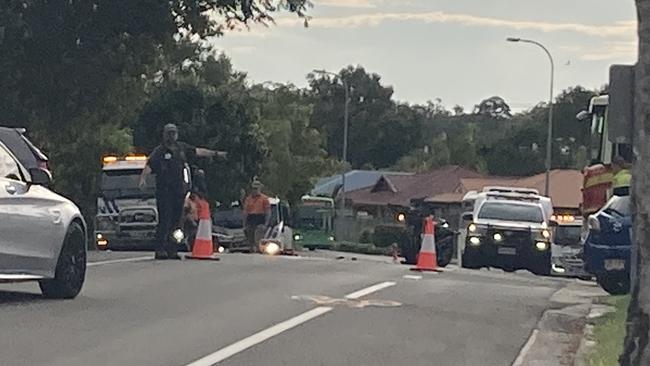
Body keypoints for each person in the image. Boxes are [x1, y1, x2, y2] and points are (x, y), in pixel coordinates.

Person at [140, 124, 226, 260]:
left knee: (176, 221)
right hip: (164, 192)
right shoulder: (160, 151)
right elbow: (150, 165)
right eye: (169, 133)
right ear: (164, 134)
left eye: (173, 133)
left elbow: (197, 151)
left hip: (178, 191)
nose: (171, 135)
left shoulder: (181, 148)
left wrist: (214, 153)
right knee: (165, 220)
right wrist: (143, 179)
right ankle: (160, 249)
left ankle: (172, 249)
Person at [242, 180, 271, 253]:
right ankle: (252, 251)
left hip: (260, 219)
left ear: (260, 189)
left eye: (256, 188)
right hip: (251, 219)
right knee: (250, 239)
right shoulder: (248, 199)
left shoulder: (264, 199)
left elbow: (268, 212)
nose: (255, 190)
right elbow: (245, 212)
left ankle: (259, 251)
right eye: (253, 188)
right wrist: (244, 224)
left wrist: (266, 224)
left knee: (258, 237)